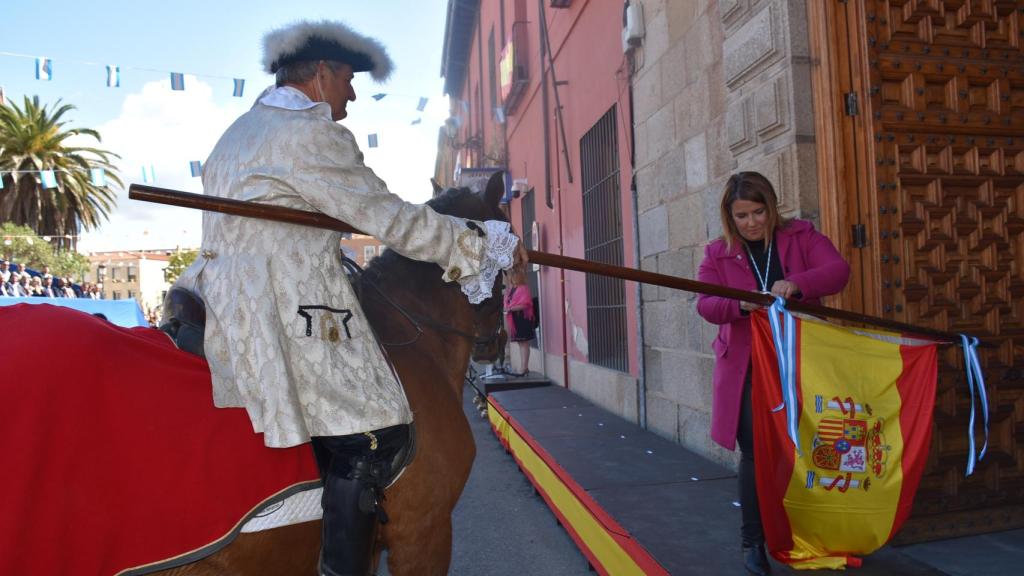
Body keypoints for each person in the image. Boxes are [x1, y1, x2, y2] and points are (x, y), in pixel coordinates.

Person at [168, 20, 521, 576]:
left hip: (218, 294)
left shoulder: (238, 131)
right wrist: (480, 245)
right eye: (349, 79)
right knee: (376, 432)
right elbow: (389, 219)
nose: (353, 93)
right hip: (284, 304)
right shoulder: (309, 132)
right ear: (323, 73)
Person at [696, 171, 850, 575]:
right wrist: (739, 305)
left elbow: (838, 271)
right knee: (756, 453)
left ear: (771, 207)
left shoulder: (801, 236)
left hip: (803, 361)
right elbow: (706, 305)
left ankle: (812, 533)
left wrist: (796, 283)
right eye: (742, 215)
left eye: (758, 212)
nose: (751, 223)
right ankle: (753, 543)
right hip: (746, 369)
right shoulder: (717, 253)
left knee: (811, 447)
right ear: (730, 217)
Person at [503, 265, 535, 376]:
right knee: (520, 343)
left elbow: (526, 304)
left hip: (523, 318)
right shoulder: (512, 289)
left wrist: (510, 308)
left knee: (524, 343)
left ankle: (524, 367)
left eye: (513, 276)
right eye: (511, 276)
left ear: (518, 277)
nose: (511, 278)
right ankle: (523, 367)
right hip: (515, 319)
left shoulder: (523, 288)